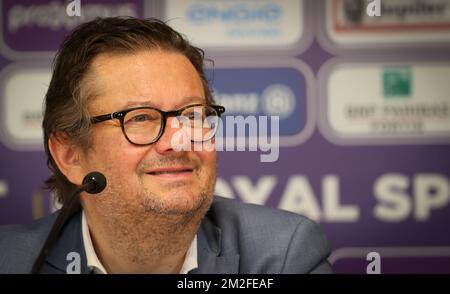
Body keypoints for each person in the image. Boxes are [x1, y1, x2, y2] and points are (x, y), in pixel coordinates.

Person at [0, 17, 332, 274]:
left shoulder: (283, 256)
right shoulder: (12, 261)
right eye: (141, 118)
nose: (180, 139)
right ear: (71, 156)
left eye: (192, 115)